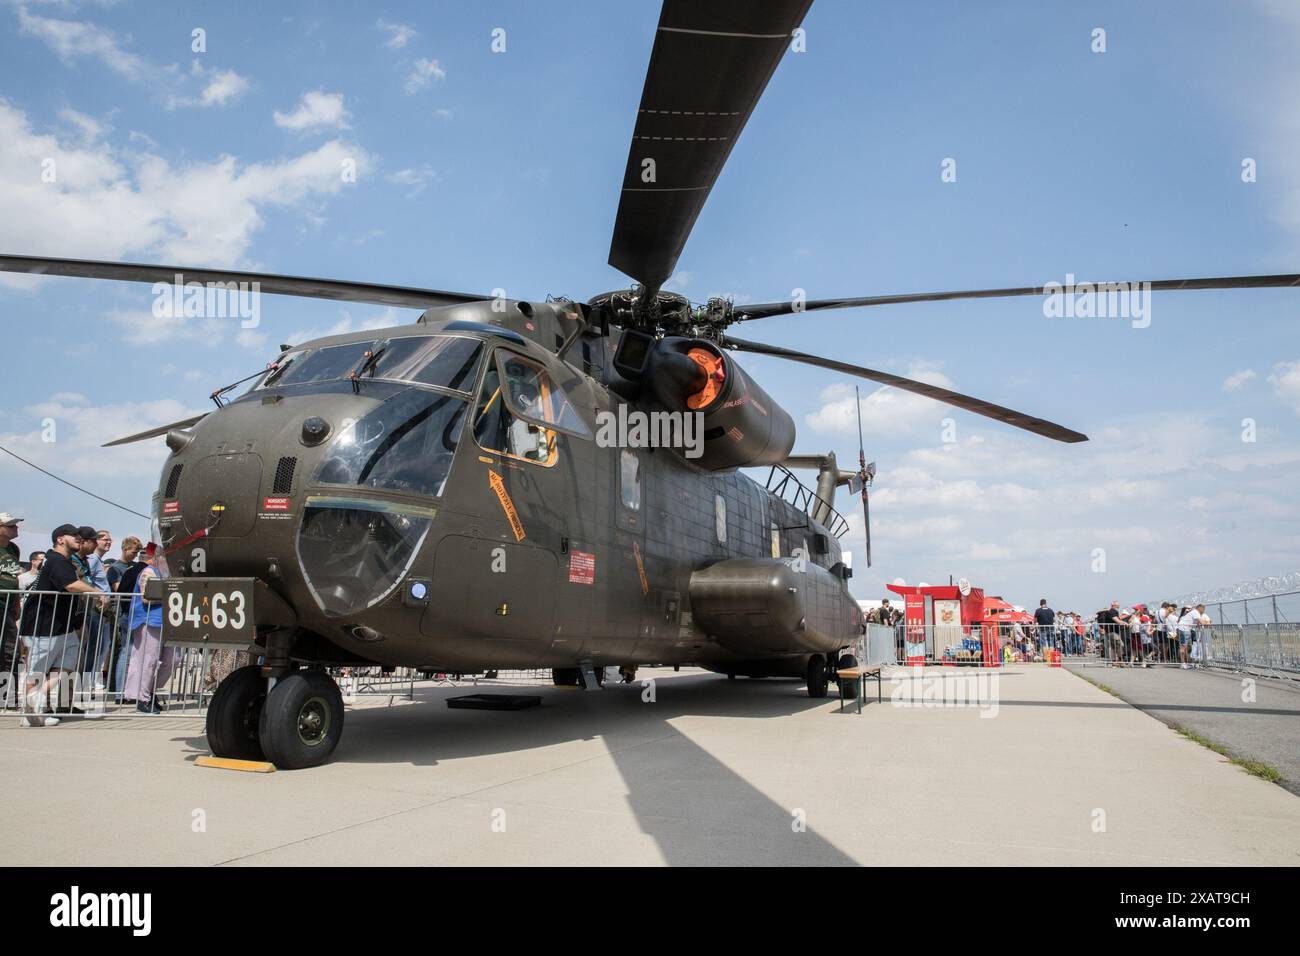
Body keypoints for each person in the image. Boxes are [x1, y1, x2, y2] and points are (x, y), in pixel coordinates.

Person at [16, 525, 104, 726]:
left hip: (62, 625)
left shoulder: (61, 560)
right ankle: (30, 716)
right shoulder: (56, 560)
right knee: (37, 672)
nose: (78, 538)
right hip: (44, 624)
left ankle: (36, 699)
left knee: (67, 663)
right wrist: (97, 592)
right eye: (73, 535)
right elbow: (71, 585)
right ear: (60, 539)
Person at [122, 543, 175, 714]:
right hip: (148, 619)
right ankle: (141, 696)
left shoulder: (166, 573)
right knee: (147, 659)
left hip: (166, 621)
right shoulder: (148, 572)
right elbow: (147, 597)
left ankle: (148, 690)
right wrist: (173, 597)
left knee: (174, 659)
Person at [0, 513, 23, 680]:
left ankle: (7, 695)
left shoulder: (13, 548)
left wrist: (16, 603)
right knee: (9, 647)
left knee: (10, 647)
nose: (15, 528)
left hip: (8, 603)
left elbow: (14, 577)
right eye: (10, 525)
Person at [1177, 605, 1198, 669]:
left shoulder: (1190, 615)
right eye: (1187, 609)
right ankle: (1183, 662)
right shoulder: (1182, 617)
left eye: (1190, 609)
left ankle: (1187, 662)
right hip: (1184, 631)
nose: (1188, 610)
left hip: (1189, 631)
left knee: (1188, 648)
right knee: (1183, 647)